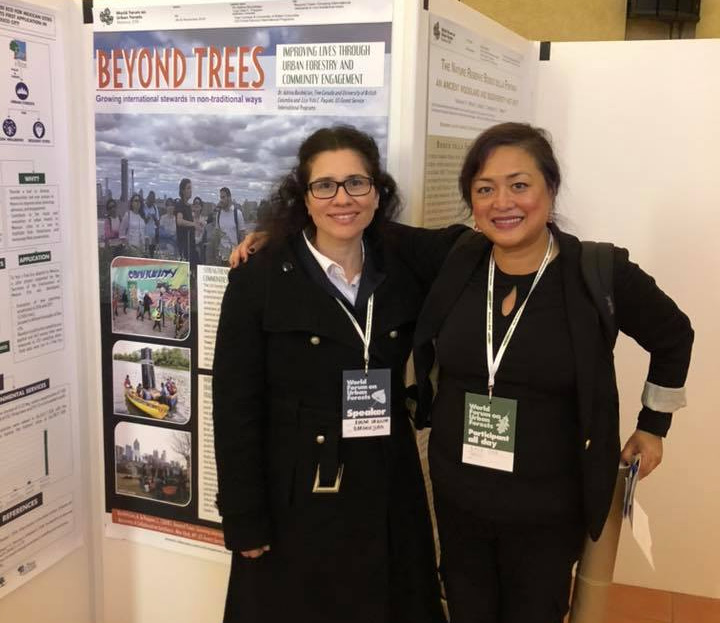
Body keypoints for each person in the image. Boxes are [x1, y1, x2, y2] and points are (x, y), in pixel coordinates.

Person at [410, 122, 693, 623]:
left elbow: (674, 336)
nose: (502, 202)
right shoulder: (456, 259)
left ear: (551, 188)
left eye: (519, 185)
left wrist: (654, 426)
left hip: (548, 505)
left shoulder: (598, 271)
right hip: (459, 496)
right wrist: (278, 236)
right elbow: (364, 229)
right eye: (484, 189)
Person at [212, 126, 459, 623]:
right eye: (324, 186)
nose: (341, 198)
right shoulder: (260, 277)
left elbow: (472, 244)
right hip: (297, 493)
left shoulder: (402, 264)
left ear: (378, 192)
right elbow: (235, 405)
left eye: (357, 184)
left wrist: (364, 224)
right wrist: (243, 517)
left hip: (386, 483)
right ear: (303, 197)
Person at [214, 187, 246, 264]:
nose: (221, 200)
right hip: (222, 256)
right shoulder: (219, 214)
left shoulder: (237, 214)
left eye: (223, 197)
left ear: (229, 197)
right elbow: (217, 234)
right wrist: (216, 252)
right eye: (220, 197)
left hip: (235, 256)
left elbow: (242, 235)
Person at [175, 179, 198, 263]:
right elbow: (179, 221)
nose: (190, 190)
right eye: (188, 188)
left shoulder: (188, 206)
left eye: (191, 188)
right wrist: (193, 224)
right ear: (183, 191)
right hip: (184, 245)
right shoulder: (180, 204)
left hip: (191, 244)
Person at [142, 190, 161, 257]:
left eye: (153, 199)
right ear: (148, 198)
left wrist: (154, 218)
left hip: (152, 237)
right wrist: (146, 219)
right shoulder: (143, 207)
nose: (151, 201)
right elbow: (140, 221)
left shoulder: (155, 208)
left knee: (151, 255)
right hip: (143, 236)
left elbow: (158, 224)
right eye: (150, 199)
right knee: (144, 255)